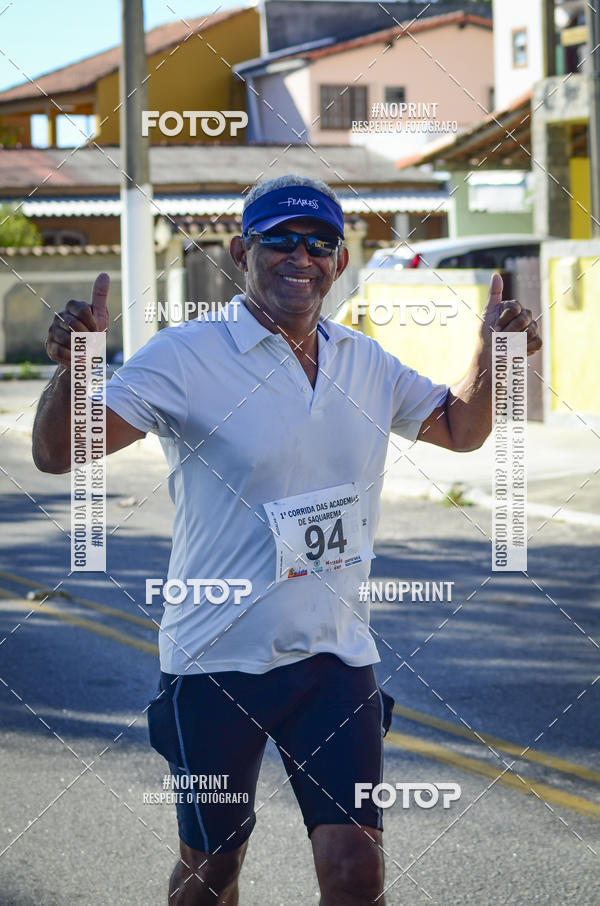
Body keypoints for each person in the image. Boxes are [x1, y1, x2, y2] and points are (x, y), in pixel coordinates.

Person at [33, 174, 541, 905]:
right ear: (242, 250)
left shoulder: (364, 362)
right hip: (216, 658)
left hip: (334, 659)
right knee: (212, 874)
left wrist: (494, 355)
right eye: (279, 239)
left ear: (337, 262)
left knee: (355, 871)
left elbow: (461, 429)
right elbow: (59, 452)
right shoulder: (188, 356)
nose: (299, 255)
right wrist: (74, 368)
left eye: (319, 243)